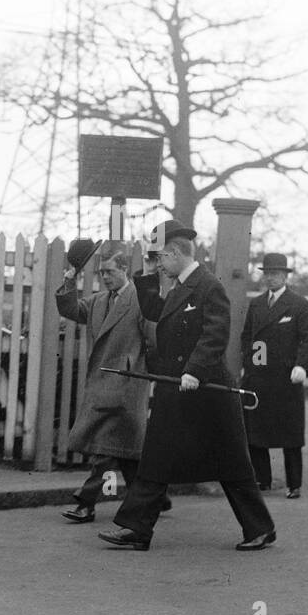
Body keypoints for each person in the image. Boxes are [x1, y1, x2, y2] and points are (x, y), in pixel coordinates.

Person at [99, 220, 276, 552]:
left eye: (162, 257)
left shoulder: (208, 286)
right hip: (177, 388)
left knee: (232, 462)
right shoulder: (179, 285)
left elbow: (216, 334)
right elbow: (152, 309)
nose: (160, 263)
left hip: (206, 390)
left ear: (176, 252)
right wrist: (151, 270)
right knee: (156, 456)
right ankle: (136, 528)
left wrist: (194, 370)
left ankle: (260, 528)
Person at [54, 242, 159, 522]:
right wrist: (68, 281)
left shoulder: (141, 300)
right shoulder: (99, 301)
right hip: (102, 383)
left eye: (110, 271)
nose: (105, 277)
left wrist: (144, 374)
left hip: (127, 385)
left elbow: (153, 342)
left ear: (124, 269)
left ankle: (86, 502)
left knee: (104, 447)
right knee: (126, 453)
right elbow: (71, 310)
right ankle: (156, 500)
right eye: (101, 273)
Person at [241, 253, 308, 498]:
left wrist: (302, 366)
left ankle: (295, 484)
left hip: (286, 378)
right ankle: (262, 480)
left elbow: (307, 339)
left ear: (285, 276)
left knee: (290, 434)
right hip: (259, 376)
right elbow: (248, 337)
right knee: (256, 431)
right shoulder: (257, 303)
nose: (271, 278)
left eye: (276, 273)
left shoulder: (299, 304)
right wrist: (248, 366)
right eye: (268, 273)